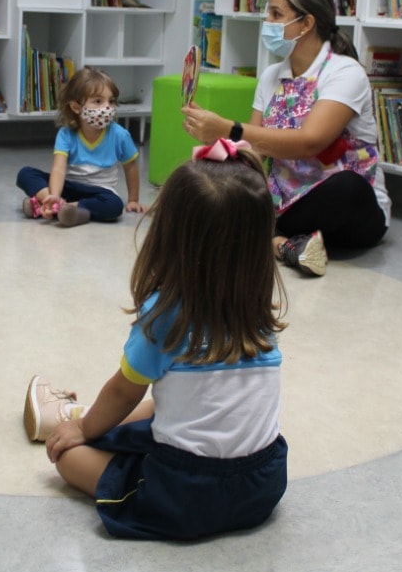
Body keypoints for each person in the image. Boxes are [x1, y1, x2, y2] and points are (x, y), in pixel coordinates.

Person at [23, 138, 288, 540]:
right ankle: (84, 418)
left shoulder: (166, 315)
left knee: (70, 457)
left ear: (169, 237)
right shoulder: (257, 314)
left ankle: (73, 419)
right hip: (262, 485)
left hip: (183, 494)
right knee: (162, 402)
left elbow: (123, 393)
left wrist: (85, 432)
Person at [182, 0, 389, 277]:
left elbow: (310, 142)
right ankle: (283, 244)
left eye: (276, 15)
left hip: (347, 212)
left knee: (348, 187)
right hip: (286, 206)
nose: (267, 22)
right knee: (210, 183)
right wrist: (214, 140)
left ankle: (254, 232)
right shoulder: (271, 76)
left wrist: (228, 128)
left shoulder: (345, 72)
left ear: (306, 24)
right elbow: (251, 151)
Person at [16, 66, 145, 227]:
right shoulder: (66, 134)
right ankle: (55, 203)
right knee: (26, 174)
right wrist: (55, 194)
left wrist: (133, 200)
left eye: (111, 101)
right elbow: (58, 168)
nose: (107, 107)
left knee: (114, 206)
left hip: (99, 192)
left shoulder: (120, 135)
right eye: (98, 101)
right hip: (68, 188)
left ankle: (54, 206)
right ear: (76, 107)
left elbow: (131, 167)